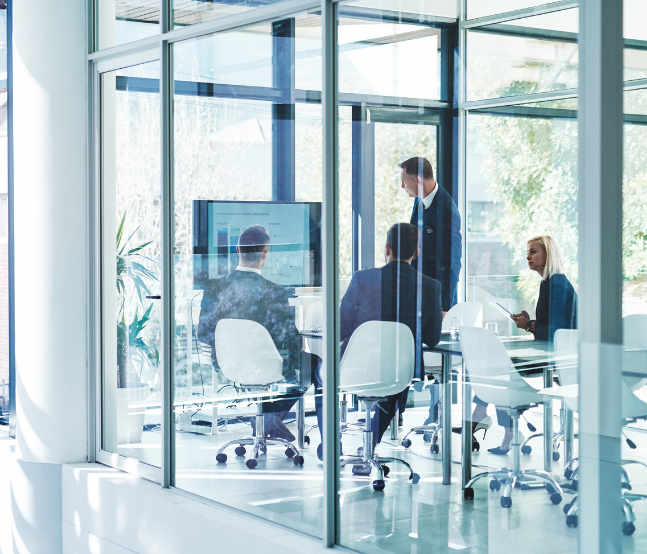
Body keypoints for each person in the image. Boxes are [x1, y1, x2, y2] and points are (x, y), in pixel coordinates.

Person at [314, 223, 442, 473]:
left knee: (320, 375)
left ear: (387, 249)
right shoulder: (430, 286)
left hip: (356, 368)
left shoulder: (363, 279)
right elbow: (433, 339)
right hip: (400, 374)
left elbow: (341, 328)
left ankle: (331, 441)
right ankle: (370, 445)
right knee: (395, 382)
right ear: (416, 253)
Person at [198, 225, 306, 443]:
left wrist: (227, 350)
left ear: (237, 249)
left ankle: (268, 419)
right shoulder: (274, 291)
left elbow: (203, 333)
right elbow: (290, 340)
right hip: (265, 366)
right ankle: (271, 417)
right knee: (312, 364)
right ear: (266, 254)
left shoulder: (213, 286)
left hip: (227, 364)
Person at [479, 235, 577, 454]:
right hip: (549, 353)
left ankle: (493, 420)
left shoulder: (558, 285)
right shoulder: (549, 283)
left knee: (502, 367)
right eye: (528, 252)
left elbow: (558, 332)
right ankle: (498, 421)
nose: (528, 257)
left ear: (548, 255)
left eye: (534, 252)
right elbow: (550, 324)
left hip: (560, 359)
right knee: (500, 364)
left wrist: (530, 324)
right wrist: (529, 322)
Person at [400, 157, 462, 427]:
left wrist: (445, 304)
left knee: (437, 355)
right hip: (420, 292)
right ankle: (411, 409)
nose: (403, 187)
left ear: (418, 180)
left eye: (404, 182)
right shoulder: (420, 202)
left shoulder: (446, 209)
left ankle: (437, 415)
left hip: (439, 298)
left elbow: (453, 260)